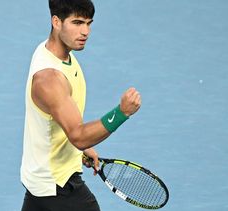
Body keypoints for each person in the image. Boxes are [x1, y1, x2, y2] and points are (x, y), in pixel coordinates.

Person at [20, 0, 141, 210]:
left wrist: (84, 148)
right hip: (58, 186)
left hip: (41, 181)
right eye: (77, 23)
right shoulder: (49, 79)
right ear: (56, 22)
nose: (85, 31)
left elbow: (61, 121)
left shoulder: (53, 51)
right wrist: (121, 113)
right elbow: (78, 135)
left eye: (88, 23)